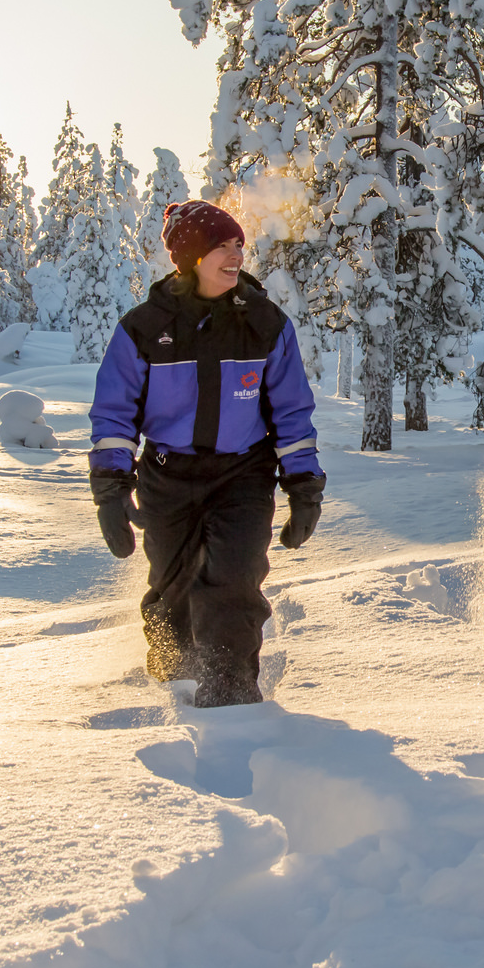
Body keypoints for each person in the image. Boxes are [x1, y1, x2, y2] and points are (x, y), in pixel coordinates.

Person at [87, 199, 325, 707]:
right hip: (167, 476)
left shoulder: (265, 324)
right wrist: (110, 489)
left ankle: (232, 693)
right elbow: (114, 415)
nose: (235, 254)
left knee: (234, 580)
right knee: (171, 590)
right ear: (191, 256)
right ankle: (172, 690)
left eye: (239, 243)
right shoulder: (143, 328)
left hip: (243, 474)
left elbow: (291, 413)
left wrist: (304, 487)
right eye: (221, 245)